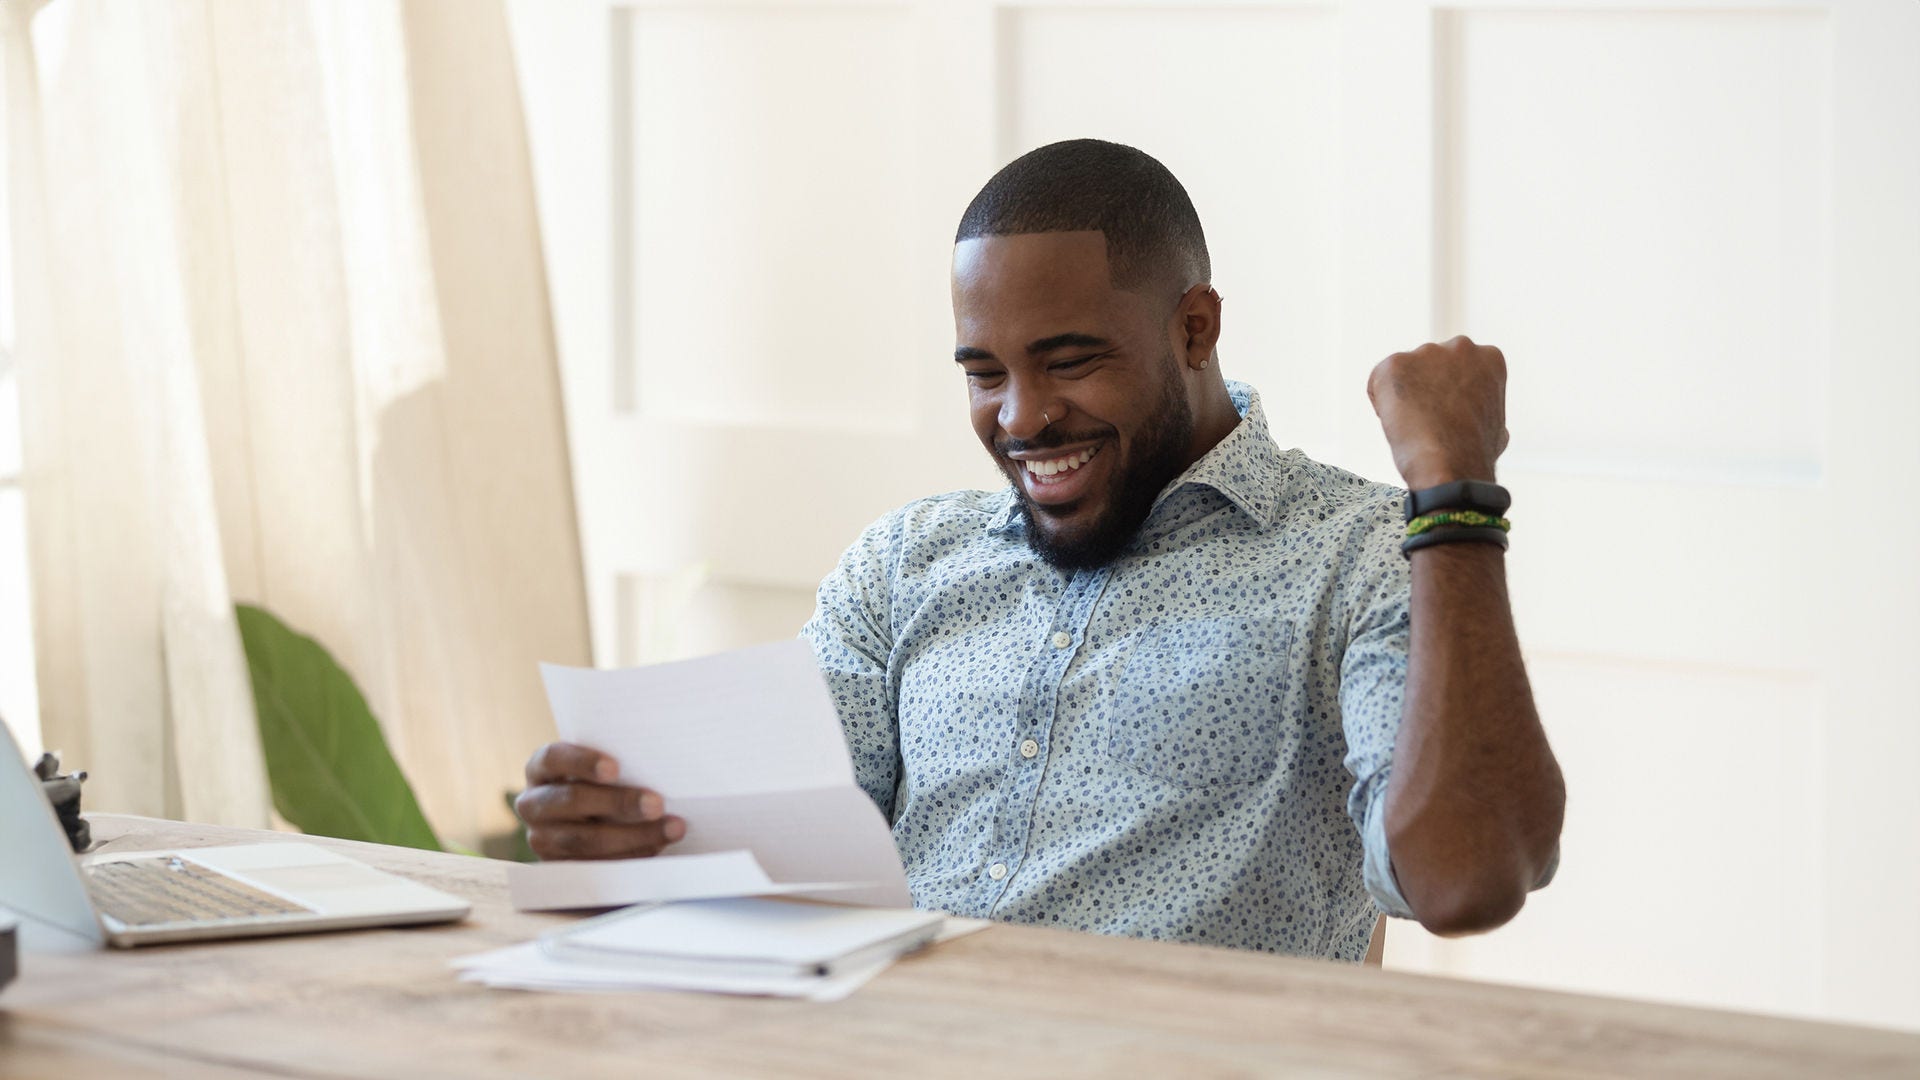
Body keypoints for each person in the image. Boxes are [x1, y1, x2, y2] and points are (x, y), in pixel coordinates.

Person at [515, 139, 1564, 960]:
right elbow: (785, 851)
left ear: (1194, 328)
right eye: (984, 372)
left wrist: (1454, 491)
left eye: (1069, 361)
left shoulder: (1362, 554)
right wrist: (631, 834)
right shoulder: (904, 563)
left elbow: (1467, 877)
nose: (1022, 418)